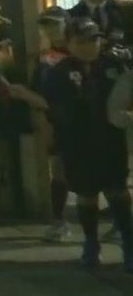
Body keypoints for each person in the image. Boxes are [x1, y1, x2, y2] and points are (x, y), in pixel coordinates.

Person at [42, 18, 133, 271]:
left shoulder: (114, 65)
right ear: (69, 43)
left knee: (119, 193)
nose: (89, 46)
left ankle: (129, 244)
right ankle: (91, 244)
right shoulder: (58, 72)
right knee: (86, 195)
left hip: (111, 142)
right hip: (78, 144)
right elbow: (53, 110)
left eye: (94, 40)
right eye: (82, 41)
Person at [29, 6, 71, 242]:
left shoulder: (83, 51)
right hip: (57, 123)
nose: (51, 30)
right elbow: (38, 93)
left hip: (87, 123)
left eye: (56, 24)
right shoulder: (45, 59)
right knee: (59, 171)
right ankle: (59, 220)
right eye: (46, 25)